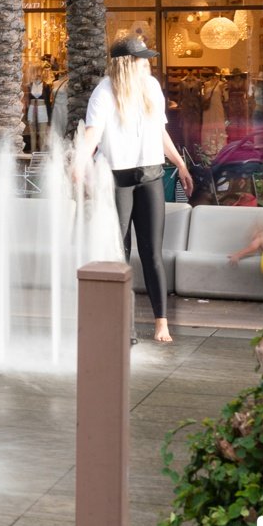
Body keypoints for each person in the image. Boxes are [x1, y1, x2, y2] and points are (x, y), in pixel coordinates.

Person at [73, 36, 193, 345]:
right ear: (127, 64)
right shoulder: (104, 93)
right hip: (117, 178)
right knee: (119, 253)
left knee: (153, 253)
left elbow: (160, 130)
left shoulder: (151, 87)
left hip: (151, 174)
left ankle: (161, 324)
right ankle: (122, 325)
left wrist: (180, 163)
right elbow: (92, 134)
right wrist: (79, 163)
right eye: (142, 59)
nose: (148, 63)